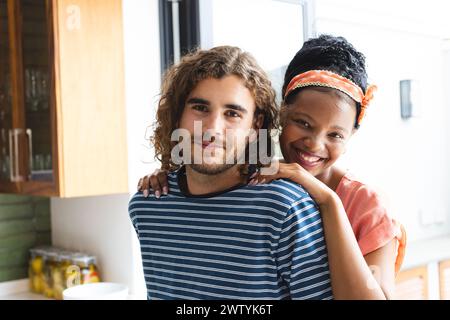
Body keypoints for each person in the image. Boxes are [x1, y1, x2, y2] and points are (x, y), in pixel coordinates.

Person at [138, 35, 407, 299]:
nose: (314, 145)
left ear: (349, 138)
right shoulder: (267, 172)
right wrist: (170, 174)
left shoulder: (362, 205)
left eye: (335, 135)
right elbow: (213, 165)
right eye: (303, 123)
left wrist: (329, 201)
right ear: (282, 116)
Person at [129, 45, 333, 300]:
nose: (212, 128)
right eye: (200, 108)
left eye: (232, 114)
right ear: (178, 112)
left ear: (255, 125)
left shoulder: (286, 209)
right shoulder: (148, 206)